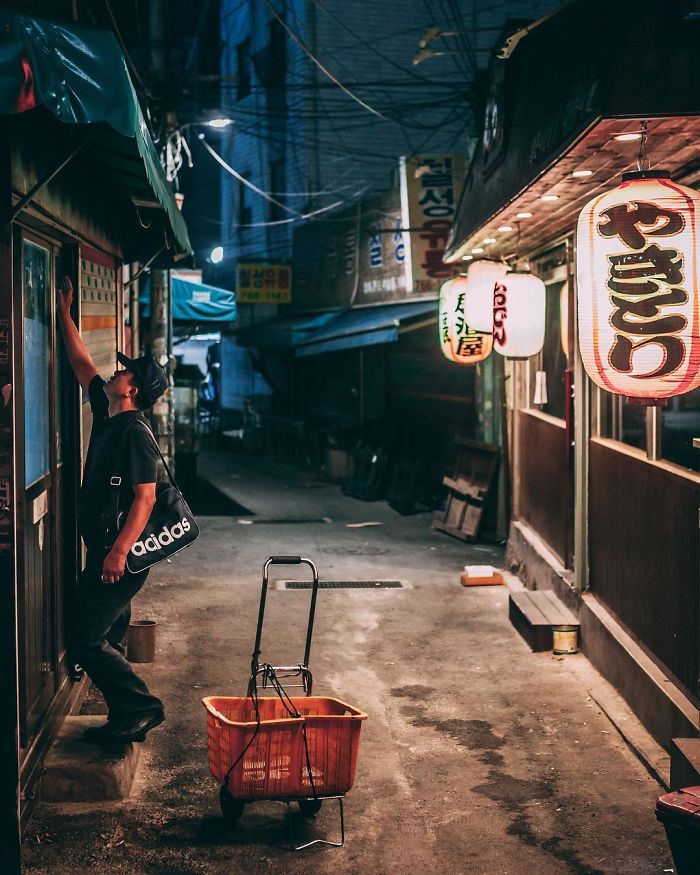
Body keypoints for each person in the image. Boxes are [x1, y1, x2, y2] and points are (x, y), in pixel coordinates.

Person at [58, 276, 167, 743]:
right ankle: (124, 718)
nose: (115, 373)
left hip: (117, 558)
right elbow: (82, 364)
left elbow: (146, 499)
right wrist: (62, 311)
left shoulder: (135, 433)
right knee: (109, 634)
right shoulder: (109, 414)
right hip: (103, 550)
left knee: (85, 637)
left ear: (133, 390)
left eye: (124, 373)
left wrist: (119, 553)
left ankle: (142, 707)